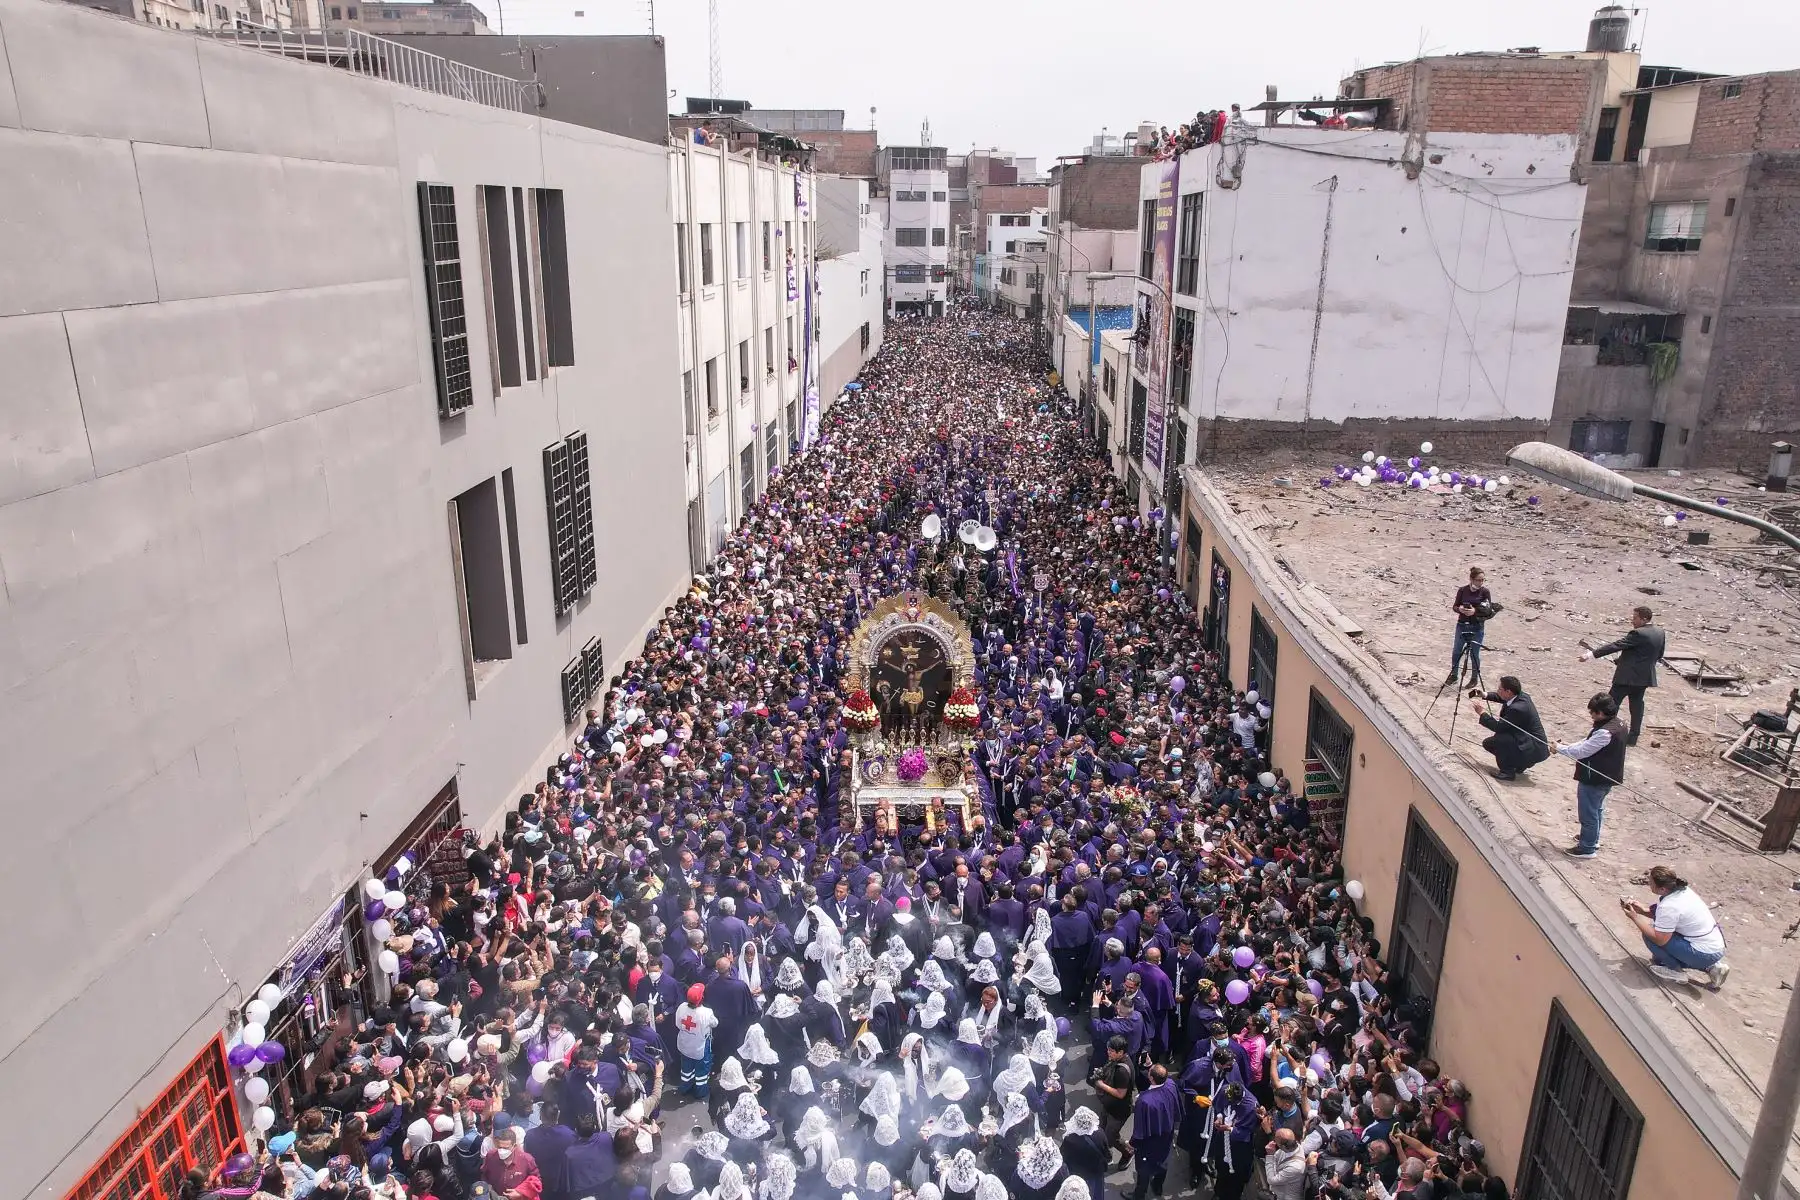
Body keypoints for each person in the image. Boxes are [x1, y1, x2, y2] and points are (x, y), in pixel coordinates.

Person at [1622, 865, 1730, 989]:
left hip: (1704, 953)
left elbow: (1659, 939)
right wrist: (1642, 910)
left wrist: (1635, 917)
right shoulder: (1683, 890)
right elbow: (1665, 916)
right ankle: (1713, 968)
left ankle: (1677, 972)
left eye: (1651, 882)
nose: (1648, 884)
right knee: (1659, 956)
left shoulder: (1669, 906)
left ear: (1662, 888)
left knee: (1649, 935)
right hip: (1714, 947)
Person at [1580, 605, 1666, 746]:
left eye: (1635, 618)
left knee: (1610, 705)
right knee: (1637, 706)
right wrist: (1624, 661)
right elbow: (1658, 654)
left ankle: (1604, 732)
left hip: (1626, 678)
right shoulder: (1660, 632)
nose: (1632, 621)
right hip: (1644, 678)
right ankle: (1633, 738)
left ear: (1644, 619)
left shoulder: (1638, 633)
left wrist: (1590, 655)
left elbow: (1617, 645)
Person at [1557, 693, 1627, 859]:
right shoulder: (1618, 723)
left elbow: (1583, 751)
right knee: (1596, 809)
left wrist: (1559, 749)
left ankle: (1587, 848)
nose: (1591, 715)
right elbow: (1587, 741)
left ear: (1600, 713)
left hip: (1595, 779)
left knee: (1588, 813)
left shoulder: (1605, 733)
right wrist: (1566, 746)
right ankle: (1592, 839)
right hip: (1608, 776)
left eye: (1592, 712)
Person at [1471, 676, 1549, 781]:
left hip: (1533, 748)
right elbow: (1503, 698)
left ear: (1508, 691)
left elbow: (1498, 727)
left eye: (1500, 689)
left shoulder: (1518, 709)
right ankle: (1518, 765)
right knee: (1499, 739)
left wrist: (1482, 713)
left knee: (1498, 740)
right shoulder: (1521, 696)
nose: (1498, 691)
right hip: (1526, 741)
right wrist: (1484, 694)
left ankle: (1507, 772)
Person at [1447, 567, 1492, 686]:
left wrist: (1475, 611)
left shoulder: (1485, 592)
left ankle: (1474, 678)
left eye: (1482, 580)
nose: (1480, 582)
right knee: (1457, 651)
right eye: (1478, 580)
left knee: (1474, 653)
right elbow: (1455, 606)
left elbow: (1488, 610)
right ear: (1471, 579)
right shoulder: (1462, 590)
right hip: (1462, 625)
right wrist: (1460, 609)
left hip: (1477, 626)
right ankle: (1454, 675)